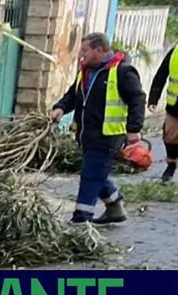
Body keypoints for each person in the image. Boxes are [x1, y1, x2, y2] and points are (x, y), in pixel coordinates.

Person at [51, 32, 146, 224]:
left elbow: (138, 99)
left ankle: (81, 218)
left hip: (108, 136)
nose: (81, 54)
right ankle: (115, 206)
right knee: (96, 172)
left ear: (99, 50)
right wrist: (60, 107)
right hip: (87, 135)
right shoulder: (85, 72)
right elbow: (73, 95)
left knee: (90, 175)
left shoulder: (123, 72)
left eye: (85, 50)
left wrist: (134, 129)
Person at [147, 43, 178, 182]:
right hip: (175, 106)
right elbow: (161, 74)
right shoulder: (175, 52)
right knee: (169, 137)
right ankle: (171, 165)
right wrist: (153, 98)